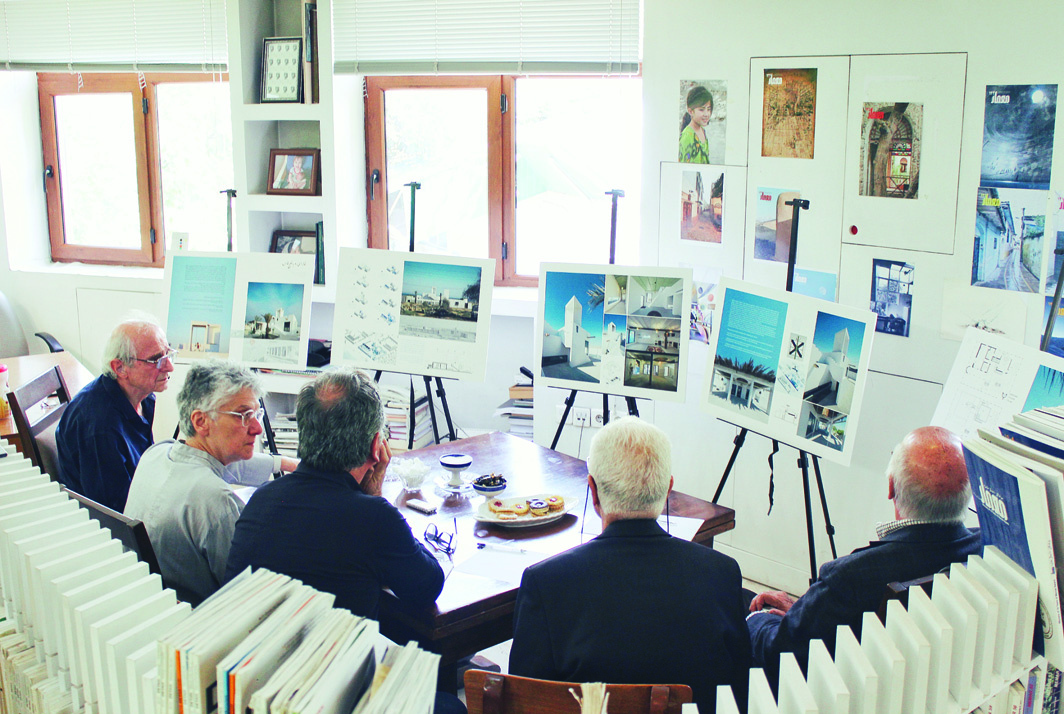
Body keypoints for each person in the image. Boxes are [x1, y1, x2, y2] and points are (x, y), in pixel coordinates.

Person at [508, 417, 751, 713]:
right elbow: (739, 694)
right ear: (667, 491)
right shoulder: (721, 573)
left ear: (593, 492)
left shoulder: (545, 583)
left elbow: (522, 702)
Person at [747, 426, 982, 682]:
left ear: (891, 487)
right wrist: (803, 610)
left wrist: (756, 619)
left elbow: (780, 652)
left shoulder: (850, 576)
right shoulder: (984, 551)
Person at [224, 367, 444, 618]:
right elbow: (427, 587)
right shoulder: (372, 517)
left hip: (255, 652)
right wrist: (374, 496)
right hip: (329, 656)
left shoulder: (261, 499)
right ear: (376, 447)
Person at [124, 360, 297, 606]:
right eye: (244, 416)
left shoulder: (157, 452)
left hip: (153, 606)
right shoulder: (217, 501)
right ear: (201, 421)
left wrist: (285, 463)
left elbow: (227, 462)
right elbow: (253, 595)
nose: (257, 428)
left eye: (256, 414)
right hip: (202, 623)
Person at [56, 319, 175, 512]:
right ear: (120, 368)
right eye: (156, 360)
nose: (169, 367)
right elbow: (112, 511)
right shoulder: (99, 427)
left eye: (168, 354)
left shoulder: (143, 397)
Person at [679, 85, 714, 164]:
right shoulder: (687, 136)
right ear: (691, 111)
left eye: (708, 109)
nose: (706, 114)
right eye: (701, 110)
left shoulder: (702, 131)